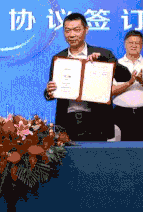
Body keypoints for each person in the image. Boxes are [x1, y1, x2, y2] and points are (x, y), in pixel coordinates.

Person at [44, 12, 131, 141]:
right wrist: (49, 92)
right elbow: (51, 90)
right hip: (68, 123)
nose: (71, 34)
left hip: (97, 122)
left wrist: (104, 61)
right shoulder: (58, 58)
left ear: (86, 30)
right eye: (67, 30)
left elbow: (125, 76)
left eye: (76, 30)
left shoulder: (103, 54)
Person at [111, 30, 143, 141]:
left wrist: (142, 81)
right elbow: (111, 91)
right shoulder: (116, 64)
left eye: (137, 43)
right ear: (125, 44)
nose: (133, 45)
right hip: (120, 114)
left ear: (142, 45)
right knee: (119, 149)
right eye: (130, 43)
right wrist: (129, 83)